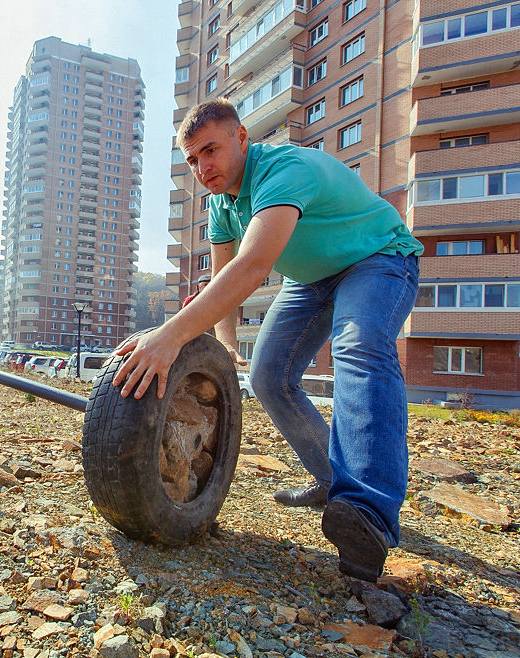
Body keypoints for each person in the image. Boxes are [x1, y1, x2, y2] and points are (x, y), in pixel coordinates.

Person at [112, 98, 422, 583]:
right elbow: (222, 278)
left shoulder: (283, 170)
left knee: (357, 347)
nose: (202, 167)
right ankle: (331, 478)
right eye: (192, 159)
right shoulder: (220, 204)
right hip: (312, 280)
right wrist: (226, 344)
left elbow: (253, 267)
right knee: (268, 376)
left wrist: (168, 337)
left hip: (377, 259)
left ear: (241, 139)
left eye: (210, 150)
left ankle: (368, 514)